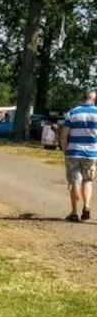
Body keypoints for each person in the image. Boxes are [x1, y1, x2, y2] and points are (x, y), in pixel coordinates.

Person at [60, 90, 97, 222]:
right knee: (88, 180)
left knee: (74, 181)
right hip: (91, 153)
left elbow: (64, 134)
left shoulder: (72, 112)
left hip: (73, 152)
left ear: (83, 98)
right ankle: (86, 206)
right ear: (94, 98)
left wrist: (65, 149)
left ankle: (74, 212)